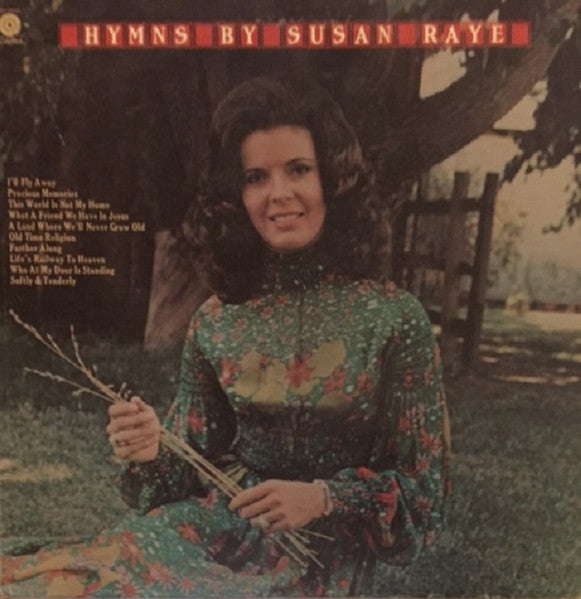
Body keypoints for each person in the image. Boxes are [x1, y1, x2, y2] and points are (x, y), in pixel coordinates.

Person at [1, 76, 450, 597]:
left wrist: (323, 497)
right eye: (255, 177)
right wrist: (151, 449)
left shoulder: (394, 319)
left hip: (317, 558)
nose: (278, 194)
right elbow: (185, 470)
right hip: (212, 528)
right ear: (237, 195)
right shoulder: (217, 320)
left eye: (299, 169)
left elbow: (423, 497)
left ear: (333, 178)